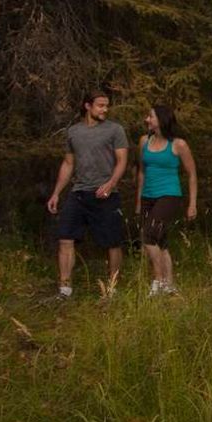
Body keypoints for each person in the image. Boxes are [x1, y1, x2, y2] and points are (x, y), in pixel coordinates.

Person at [47, 90, 128, 298]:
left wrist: (110, 184)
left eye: (106, 105)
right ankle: (65, 289)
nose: (105, 109)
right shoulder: (73, 132)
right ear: (87, 106)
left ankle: (112, 289)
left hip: (106, 194)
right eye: (100, 105)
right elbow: (68, 163)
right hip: (79, 193)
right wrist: (56, 193)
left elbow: (122, 161)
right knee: (65, 238)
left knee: (112, 242)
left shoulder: (115, 130)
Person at [134, 105, 198, 296]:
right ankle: (169, 284)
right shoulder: (144, 141)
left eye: (150, 116)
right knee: (160, 242)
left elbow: (192, 174)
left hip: (169, 195)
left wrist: (192, 204)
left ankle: (158, 280)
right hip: (148, 196)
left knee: (148, 236)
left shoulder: (178, 145)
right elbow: (141, 172)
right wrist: (138, 201)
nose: (147, 120)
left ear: (161, 120)